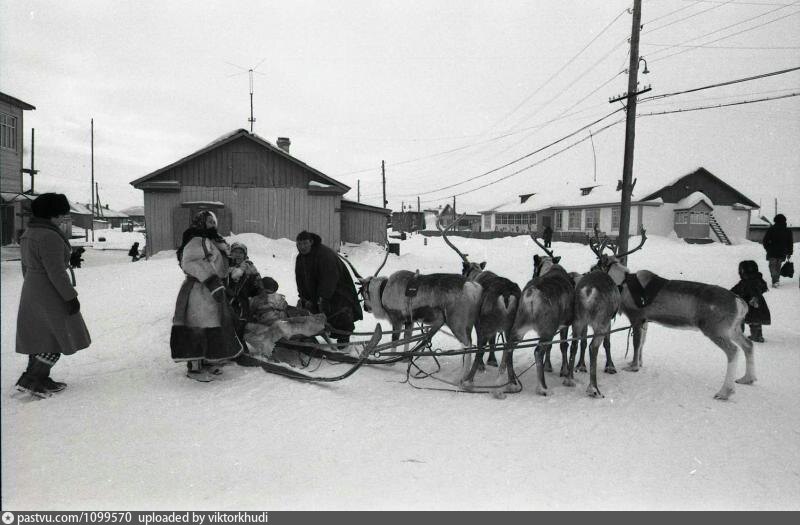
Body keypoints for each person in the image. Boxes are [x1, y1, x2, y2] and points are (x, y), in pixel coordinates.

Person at [15, 193, 92, 397]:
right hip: (50, 291)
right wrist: (70, 297)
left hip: (33, 289)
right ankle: (32, 380)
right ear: (52, 214)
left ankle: (38, 378)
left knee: (39, 336)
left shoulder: (30, 232)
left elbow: (25, 267)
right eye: (61, 214)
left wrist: (33, 288)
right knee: (56, 337)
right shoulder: (49, 236)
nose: (63, 218)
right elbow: (56, 272)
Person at [170, 210, 242, 381]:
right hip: (199, 289)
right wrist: (211, 281)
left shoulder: (211, 240)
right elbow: (190, 263)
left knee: (212, 324)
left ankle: (209, 360)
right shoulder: (196, 240)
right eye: (209, 222)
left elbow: (219, 262)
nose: (213, 225)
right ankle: (194, 367)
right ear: (200, 222)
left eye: (213, 222)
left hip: (212, 290)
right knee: (197, 325)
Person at [294, 231, 363, 346]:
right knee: (310, 312)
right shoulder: (300, 258)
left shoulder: (324, 254)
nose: (302, 247)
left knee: (340, 314)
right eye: (299, 244)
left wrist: (323, 297)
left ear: (311, 242)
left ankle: (343, 342)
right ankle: (312, 336)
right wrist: (304, 297)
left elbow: (330, 277)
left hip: (338, 290)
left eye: (305, 243)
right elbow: (300, 279)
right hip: (318, 291)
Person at [225, 241, 264, 337]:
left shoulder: (250, 269)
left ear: (245, 255)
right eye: (235, 252)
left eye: (241, 253)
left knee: (241, 327)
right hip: (226, 303)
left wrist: (259, 286)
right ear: (231, 253)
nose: (238, 255)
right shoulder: (225, 268)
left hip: (243, 304)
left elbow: (256, 289)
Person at [731, 260, 770, 343]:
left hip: (750, 304)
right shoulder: (757, 279)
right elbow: (763, 287)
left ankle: (740, 335)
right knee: (755, 321)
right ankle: (757, 336)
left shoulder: (747, 281)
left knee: (741, 318)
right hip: (757, 304)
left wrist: (754, 297)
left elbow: (738, 289)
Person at [762, 213, 793, 287]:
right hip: (782, 252)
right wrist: (789, 252)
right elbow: (790, 243)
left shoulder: (771, 229)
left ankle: (775, 280)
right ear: (784, 221)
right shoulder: (787, 230)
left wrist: (768, 248)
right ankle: (776, 280)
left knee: (772, 266)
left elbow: (765, 241)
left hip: (772, 251)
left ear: (775, 220)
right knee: (778, 267)